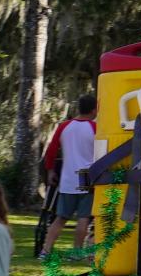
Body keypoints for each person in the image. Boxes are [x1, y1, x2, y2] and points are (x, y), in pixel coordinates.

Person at [41, 95, 99, 256]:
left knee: (60, 217)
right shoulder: (95, 127)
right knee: (83, 217)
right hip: (87, 174)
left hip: (68, 176)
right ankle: (77, 252)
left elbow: (51, 150)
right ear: (94, 109)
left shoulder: (64, 126)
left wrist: (50, 170)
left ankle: (46, 250)